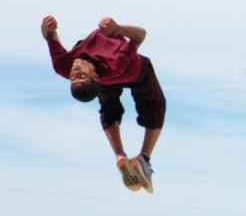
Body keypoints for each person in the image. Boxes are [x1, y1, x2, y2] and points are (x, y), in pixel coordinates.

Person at [41, 15, 166, 193]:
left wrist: (47, 28)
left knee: (108, 106)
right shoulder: (116, 63)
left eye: (74, 77)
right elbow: (141, 35)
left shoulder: (63, 66)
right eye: (82, 75)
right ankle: (144, 159)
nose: (76, 71)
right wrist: (118, 29)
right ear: (95, 76)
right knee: (155, 106)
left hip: (106, 79)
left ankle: (119, 155)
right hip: (133, 72)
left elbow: (49, 37)